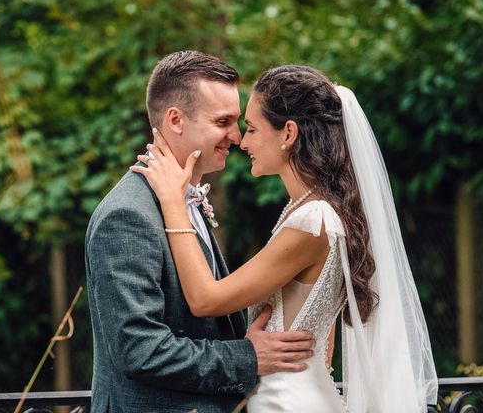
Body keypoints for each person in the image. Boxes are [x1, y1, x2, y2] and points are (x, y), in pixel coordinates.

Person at [132, 65, 439, 412]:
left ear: (288, 133)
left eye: (251, 129)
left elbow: (205, 300)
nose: (242, 142)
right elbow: (321, 333)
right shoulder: (313, 210)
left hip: (287, 400)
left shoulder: (313, 219)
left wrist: (173, 202)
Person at [85, 52, 316, 413]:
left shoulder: (181, 199)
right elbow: (141, 351)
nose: (237, 137)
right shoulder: (129, 215)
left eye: (238, 122)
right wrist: (247, 357)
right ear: (175, 120)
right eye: (223, 122)